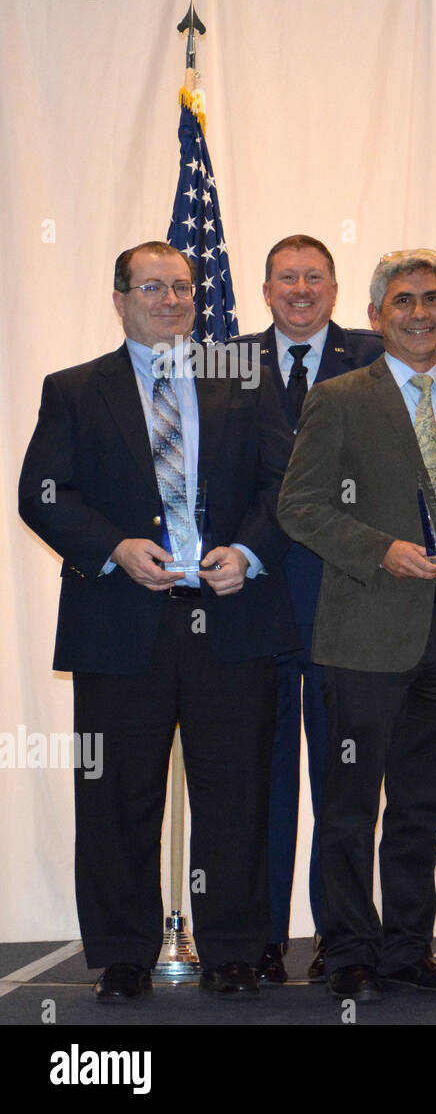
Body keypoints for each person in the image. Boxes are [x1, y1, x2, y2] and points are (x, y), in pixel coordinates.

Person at [18, 240, 297, 1002]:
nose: (171, 301)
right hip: (121, 624)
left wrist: (247, 549)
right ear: (119, 299)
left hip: (232, 621)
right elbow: (42, 492)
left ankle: (234, 951)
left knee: (237, 796)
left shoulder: (242, 376)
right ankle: (123, 955)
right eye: (152, 287)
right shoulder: (75, 389)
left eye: (182, 288)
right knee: (117, 799)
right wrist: (113, 546)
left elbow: (287, 482)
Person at [278, 248, 436, 1003]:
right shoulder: (340, 398)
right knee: (348, 809)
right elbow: (300, 506)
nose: (420, 312)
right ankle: (347, 952)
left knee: (420, 810)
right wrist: (385, 552)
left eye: (432, 298)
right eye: (403, 301)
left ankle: (408, 949)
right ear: (376, 317)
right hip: (362, 639)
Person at [231, 235, 383, 986]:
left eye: (313, 278)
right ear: (264, 291)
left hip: (348, 603)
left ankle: (342, 939)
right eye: (286, 278)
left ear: (334, 286)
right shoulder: (222, 362)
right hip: (251, 604)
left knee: (345, 787)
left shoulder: (375, 356)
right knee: (259, 782)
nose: (300, 289)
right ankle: (257, 938)